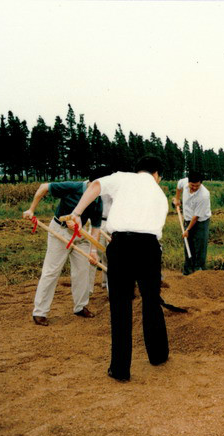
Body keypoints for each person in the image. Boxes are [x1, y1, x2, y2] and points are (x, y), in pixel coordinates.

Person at [71, 156, 169, 382]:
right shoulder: (160, 195)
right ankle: (158, 355)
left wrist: (77, 214)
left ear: (138, 170)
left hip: (122, 245)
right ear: (157, 175)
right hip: (150, 248)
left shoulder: (123, 178)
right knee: (151, 300)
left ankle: (120, 369)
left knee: (121, 306)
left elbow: (95, 186)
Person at [23, 168, 108, 326]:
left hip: (80, 234)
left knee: (83, 271)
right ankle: (40, 312)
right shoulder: (73, 187)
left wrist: (94, 251)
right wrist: (31, 209)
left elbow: (96, 227)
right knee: (52, 270)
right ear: (94, 183)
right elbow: (43, 187)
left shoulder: (98, 200)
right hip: (60, 232)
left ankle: (80, 307)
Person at [173, 171, 212, 275]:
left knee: (200, 246)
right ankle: (188, 271)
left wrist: (187, 230)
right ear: (188, 182)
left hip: (201, 221)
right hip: (187, 218)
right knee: (188, 245)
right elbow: (178, 186)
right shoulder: (184, 182)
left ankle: (199, 271)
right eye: (192, 185)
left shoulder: (204, 195)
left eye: (197, 185)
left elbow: (196, 217)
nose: (194, 187)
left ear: (201, 183)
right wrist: (177, 198)